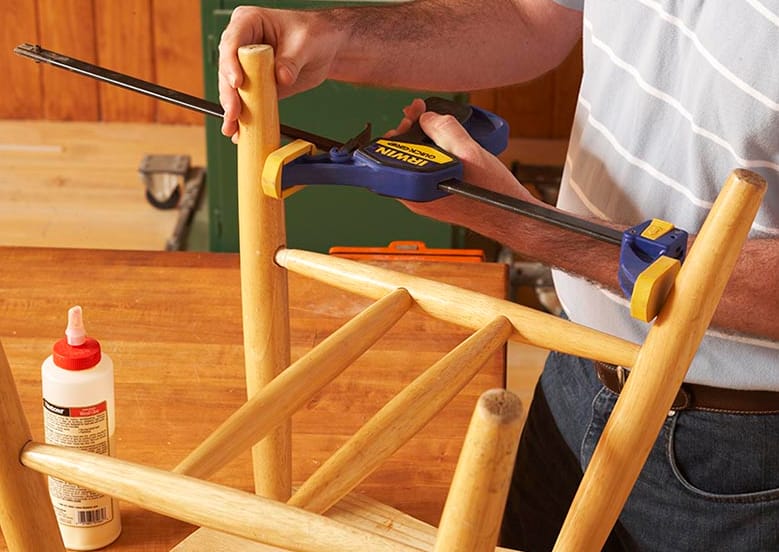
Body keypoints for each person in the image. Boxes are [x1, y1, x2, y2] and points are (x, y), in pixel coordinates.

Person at [218, 2, 779, 550]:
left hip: (737, 445)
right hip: (578, 365)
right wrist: (333, 36)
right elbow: (530, 17)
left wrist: (530, 226)